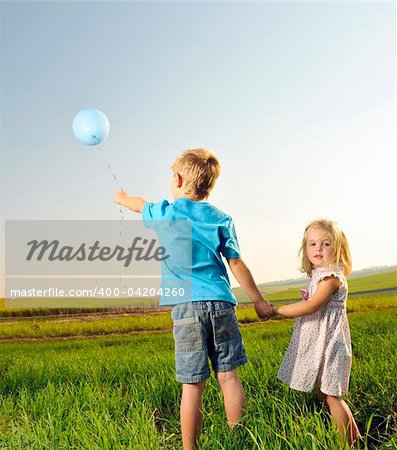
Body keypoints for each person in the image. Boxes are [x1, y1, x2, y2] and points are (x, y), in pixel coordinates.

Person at [114, 148, 272, 450]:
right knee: (229, 377)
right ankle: (239, 440)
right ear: (208, 186)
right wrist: (259, 300)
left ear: (177, 178)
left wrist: (121, 198)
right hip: (222, 304)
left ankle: (190, 449)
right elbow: (236, 264)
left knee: (192, 384)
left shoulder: (167, 212)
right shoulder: (221, 218)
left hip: (186, 308)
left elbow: (138, 205)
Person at [269, 219, 361, 447]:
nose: (318, 248)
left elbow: (311, 306)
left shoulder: (331, 279)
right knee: (324, 393)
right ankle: (356, 438)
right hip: (322, 343)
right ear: (305, 249)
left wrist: (277, 311)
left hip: (331, 345)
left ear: (338, 248)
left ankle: (348, 444)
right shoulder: (319, 276)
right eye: (312, 244)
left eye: (325, 243)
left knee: (332, 395)